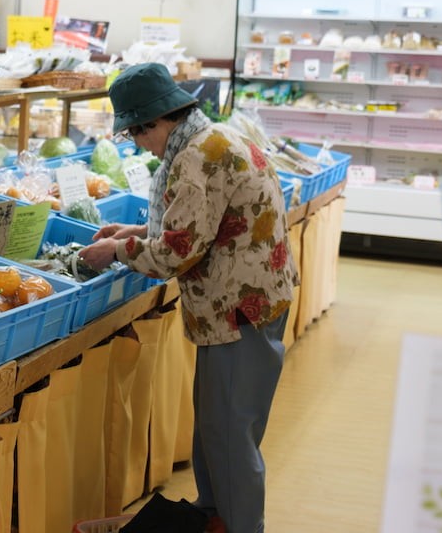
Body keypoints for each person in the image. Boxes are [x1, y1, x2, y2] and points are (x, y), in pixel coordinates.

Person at [78, 62, 298, 533]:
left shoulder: (196, 159)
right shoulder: (211, 139)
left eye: (137, 133)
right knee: (216, 426)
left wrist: (117, 251)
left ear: (157, 121)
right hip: (253, 299)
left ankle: (239, 525)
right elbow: (200, 224)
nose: (138, 143)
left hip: (239, 309)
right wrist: (137, 230)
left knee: (231, 435)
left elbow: (177, 253)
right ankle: (213, 513)